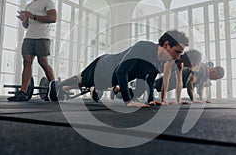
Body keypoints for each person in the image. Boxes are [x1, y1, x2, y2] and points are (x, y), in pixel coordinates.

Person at [52, 30, 189, 107]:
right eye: (177, 52)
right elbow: (121, 71)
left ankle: (66, 89)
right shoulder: (143, 47)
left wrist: (150, 100)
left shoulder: (160, 62)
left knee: (91, 84)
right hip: (103, 67)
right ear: (166, 45)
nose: (178, 57)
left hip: (112, 80)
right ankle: (59, 86)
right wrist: (128, 101)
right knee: (83, 81)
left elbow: (150, 79)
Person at [8, 0, 57, 101]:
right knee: (27, 63)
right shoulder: (29, 5)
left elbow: (53, 18)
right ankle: (23, 92)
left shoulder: (47, 2)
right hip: (29, 37)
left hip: (42, 38)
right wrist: (24, 20)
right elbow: (26, 26)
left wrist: (33, 16)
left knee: (43, 62)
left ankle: (55, 88)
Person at [155, 62, 225, 103]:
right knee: (157, 85)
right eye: (216, 78)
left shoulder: (205, 76)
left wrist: (201, 99)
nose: (215, 80)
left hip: (179, 82)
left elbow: (201, 86)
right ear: (214, 72)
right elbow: (189, 84)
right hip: (175, 78)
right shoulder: (201, 69)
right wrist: (193, 99)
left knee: (159, 88)